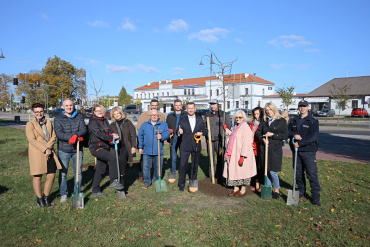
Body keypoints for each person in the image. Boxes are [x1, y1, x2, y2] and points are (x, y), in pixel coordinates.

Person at [26, 103, 62, 207]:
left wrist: (49, 148)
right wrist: (45, 149)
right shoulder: (30, 124)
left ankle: (46, 197)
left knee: (51, 175)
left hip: (50, 152)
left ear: (43, 111)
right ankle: (39, 199)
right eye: (36, 112)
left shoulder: (48, 122)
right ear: (33, 112)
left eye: (41, 111)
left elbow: (53, 136)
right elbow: (32, 140)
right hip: (37, 153)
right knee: (37, 176)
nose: (39, 114)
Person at [54, 99, 88, 203]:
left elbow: (84, 129)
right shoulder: (58, 119)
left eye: (71, 105)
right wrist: (71, 137)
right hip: (64, 150)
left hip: (77, 149)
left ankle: (76, 191)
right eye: (67, 105)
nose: (69, 107)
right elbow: (59, 133)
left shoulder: (79, 116)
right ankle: (64, 193)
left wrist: (77, 135)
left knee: (78, 173)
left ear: (74, 106)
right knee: (63, 173)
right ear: (63, 107)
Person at [288, 100, 321, 206]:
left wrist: (300, 143)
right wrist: (294, 135)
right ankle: (301, 191)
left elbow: (313, 137)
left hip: (309, 151)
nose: (302, 108)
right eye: (300, 106)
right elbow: (288, 132)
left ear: (308, 107)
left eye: (304, 106)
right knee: (298, 173)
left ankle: (315, 197)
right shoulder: (294, 120)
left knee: (312, 174)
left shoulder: (313, 121)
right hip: (296, 152)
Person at [88, 105, 123, 197]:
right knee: (113, 158)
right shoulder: (92, 122)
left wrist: (114, 136)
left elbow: (110, 131)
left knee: (100, 169)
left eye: (101, 110)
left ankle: (95, 191)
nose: (99, 112)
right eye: (97, 111)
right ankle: (113, 181)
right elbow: (99, 134)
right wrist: (111, 137)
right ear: (94, 112)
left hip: (104, 147)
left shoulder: (105, 121)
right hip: (96, 147)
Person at [256, 102, 288, 199]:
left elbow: (285, 135)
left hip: (275, 149)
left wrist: (273, 134)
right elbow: (258, 132)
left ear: (274, 109)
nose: (269, 112)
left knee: (273, 171)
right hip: (264, 149)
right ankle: (268, 189)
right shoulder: (264, 121)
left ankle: (276, 189)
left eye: (270, 109)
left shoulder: (281, 121)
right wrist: (262, 138)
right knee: (267, 170)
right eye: (267, 110)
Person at [223, 110, 256, 197]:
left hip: (241, 153)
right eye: (236, 117)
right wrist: (226, 129)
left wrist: (243, 155)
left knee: (242, 172)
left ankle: (243, 190)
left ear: (243, 118)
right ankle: (236, 188)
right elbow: (234, 136)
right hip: (233, 152)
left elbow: (247, 143)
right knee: (234, 171)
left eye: (240, 117)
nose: (238, 119)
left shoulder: (245, 128)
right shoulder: (236, 127)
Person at [177, 102, 208, 192]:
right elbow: (177, 130)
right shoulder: (182, 119)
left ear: (195, 109)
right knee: (183, 165)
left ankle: (193, 181)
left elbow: (205, 130)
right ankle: (181, 184)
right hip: (185, 145)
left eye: (192, 108)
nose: (190, 110)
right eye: (189, 108)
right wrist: (179, 132)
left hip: (196, 145)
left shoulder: (199, 119)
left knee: (195, 165)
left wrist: (201, 133)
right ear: (186, 109)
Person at [137, 109, 171, 189]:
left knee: (158, 167)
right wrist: (140, 147)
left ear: (158, 116)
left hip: (158, 151)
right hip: (146, 150)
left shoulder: (163, 125)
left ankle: (157, 181)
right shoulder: (144, 125)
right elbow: (140, 136)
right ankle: (147, 182)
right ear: (150, 116)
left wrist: (162, 136)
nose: (154, 116)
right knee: (146, 168)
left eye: (156, 115)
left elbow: (168, 132)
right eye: (152, 115)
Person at [136, 99, 166, 182]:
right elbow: (139, 127)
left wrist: (161, 135)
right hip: (147, 140)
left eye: (156, 105)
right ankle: (142, 176)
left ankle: (156, 178)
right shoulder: (144, 115)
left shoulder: (162, 115)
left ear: (158, 106)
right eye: (153, 105)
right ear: (150, 106)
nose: (154, 106)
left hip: (157, 141)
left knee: (157, 162)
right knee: (145, 161)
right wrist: (148, 131)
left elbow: (163, 126)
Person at [110, 106, 137, 187]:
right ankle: (115, 178)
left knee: (122, 160)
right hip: (115, 146)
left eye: (118, 113)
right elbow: (109, 135)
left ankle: (121, 179)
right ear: (113, 116)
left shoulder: (128, 122)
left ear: (121, 113)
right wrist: (113, 139)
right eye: (115, 114)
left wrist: (133, 146)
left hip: (125, 146)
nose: (117, 115)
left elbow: (133, 135)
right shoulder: (112, 125)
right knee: (115, 161)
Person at [205, 99, 232, 180]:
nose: (212, 106)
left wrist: (224, 132)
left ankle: (220, 175)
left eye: (214, 104)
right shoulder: (207, 114)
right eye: (211, 104)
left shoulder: (223, 114)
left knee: (220, 158)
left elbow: (228, 125)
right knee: (210, 158)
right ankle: (211, 174)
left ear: (218, 105)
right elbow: (204, 126)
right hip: (210, 140)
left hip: (219, 140)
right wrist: (207, 135)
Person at [166, 99, 187, 183]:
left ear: (182, 106)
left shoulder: (185, 115)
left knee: (183, 157)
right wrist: (168, 137)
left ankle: (182, 174)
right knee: (173, 157)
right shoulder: (170, 116)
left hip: (183, 139)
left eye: (179, 105)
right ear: (174, 106)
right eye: (176, 105)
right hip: (173, 139)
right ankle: (173, 173)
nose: (178, 106)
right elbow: (167, 127)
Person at [249, 107, 264, 193]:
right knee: (253, 167)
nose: (256, 116)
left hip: (259, 147)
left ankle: (260, 184)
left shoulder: (263, 123)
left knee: (260, 167)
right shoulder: (252, 123)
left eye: (258, 114)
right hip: (252, 147)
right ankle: (255, 183)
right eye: (255, 114)